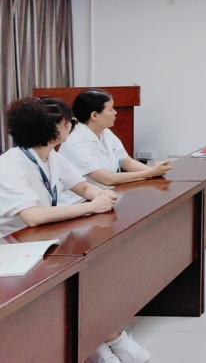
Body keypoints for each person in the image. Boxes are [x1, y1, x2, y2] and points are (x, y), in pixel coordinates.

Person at [0, 96, 150, 363]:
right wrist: (92, 207)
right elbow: (32, 216)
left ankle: (109, 338)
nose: (71, 125)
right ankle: (98, 344)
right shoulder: (11, 164)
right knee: (76, 284)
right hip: (13, 251)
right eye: (67, 121)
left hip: (43, 242)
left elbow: (82, 186)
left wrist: (101, 196)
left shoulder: (53, 158)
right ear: (52, 128)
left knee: (93, 272)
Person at [58, 89, 171, 204]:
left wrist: (156, 170)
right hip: (80, 202)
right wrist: (150, 173)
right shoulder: (75, 142)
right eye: (111, 109)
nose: (115, 112)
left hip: (107, 196)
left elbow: (127, 162)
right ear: (95, 115)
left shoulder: (105, 132)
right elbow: (107, 179)